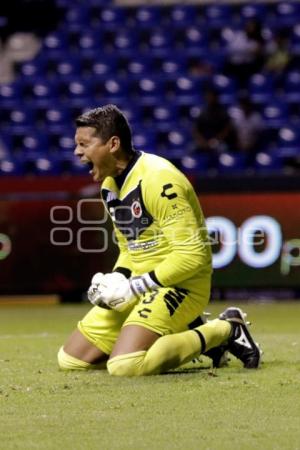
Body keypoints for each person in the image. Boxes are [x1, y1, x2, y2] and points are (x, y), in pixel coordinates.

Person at [57, 104, 261, 376]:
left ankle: (225, 330)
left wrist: (134, 288)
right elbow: (130, 248)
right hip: (141, 285)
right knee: (71, 360)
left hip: (181, 285)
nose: (77, 152)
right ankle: (184, 332)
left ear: (113, 144)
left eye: (84, 144)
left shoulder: (159, 179)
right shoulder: (109, 187)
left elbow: (192, 256)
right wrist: (117, 279)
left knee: (125, 365)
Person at [194, 87, 238, 155]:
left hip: (219, 141)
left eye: (211, 96)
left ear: (216, 97)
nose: (209, 98)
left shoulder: (222, 112)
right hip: (204, 140)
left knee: (223, 149)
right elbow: (195, 129)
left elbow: (227, 129)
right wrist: (202, 141)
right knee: (192, 149)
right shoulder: (202, 111)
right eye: (208, 96)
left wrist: (216, 140)